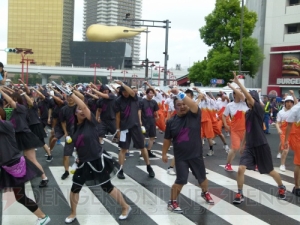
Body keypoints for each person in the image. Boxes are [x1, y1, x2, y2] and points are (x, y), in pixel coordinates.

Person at [63, 89, 131, 223]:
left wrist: (71, 95)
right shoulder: (73, 128)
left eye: (84, 109)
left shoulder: (91, 121)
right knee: (75, 187)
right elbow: (78, 144)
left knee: (107, 187)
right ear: (75, 112)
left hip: (97, 160)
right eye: (79, 110)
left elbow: (83, 105)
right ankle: (73, 213)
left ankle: (125, 206)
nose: (82, 110)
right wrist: (77, 156)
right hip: (83, 162)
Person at [230, 72, 286, 204]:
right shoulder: (248, 113)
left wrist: (238, 84)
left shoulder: (259, 109)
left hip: (261, 145)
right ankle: (240, 193)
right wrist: (243, 144)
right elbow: (246, 130)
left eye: (251, 99)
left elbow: (247, 97)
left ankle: (281, 187)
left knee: (270, 171)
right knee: (240, 168)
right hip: (250, 145)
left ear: (254, 100)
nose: (248, 100)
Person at [162, 87, 214, 213]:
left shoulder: (194, 114)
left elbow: (193, 104)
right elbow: (167, 139)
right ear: (175, 107)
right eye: (179, 105)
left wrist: (179, 94)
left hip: (196, 155)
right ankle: (172, 202)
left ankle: (205, 192)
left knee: (202, 178)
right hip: (181, 157)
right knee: (181, 180)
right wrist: (164, 153)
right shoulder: (171, 122)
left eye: (184, 104)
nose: (182, 106)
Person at [0, 107, 51, 225]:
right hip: (6, 166)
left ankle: (43, 217)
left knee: (20, 197)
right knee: (20, 197)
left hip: (15, 166)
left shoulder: (6, 126)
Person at [0, 88, 49, 188]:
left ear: (17, 100)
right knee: (24, 160)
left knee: (31, 159)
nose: (11, 101)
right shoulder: (14, 111)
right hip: (18, 136)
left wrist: (1, 91)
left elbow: (10, 101)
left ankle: (44, 177)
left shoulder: (22, 108)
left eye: (14, 99)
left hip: (25, 136)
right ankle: (26, 176)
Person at [114, 80, 155, 179]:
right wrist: (118, 130)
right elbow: (118, 116)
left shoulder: (134, 98)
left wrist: (123, 84)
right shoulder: (118, 100)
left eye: (126, 91)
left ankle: (149, 167)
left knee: (142, 147)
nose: (125, 93)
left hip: (135, 126)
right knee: (123, 149)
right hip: (124, 128)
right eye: (123, 92)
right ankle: (120, 169)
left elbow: (132, 92)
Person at [222, 85, 248, 171]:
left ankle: (249, 163)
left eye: (241, 92)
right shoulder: (230, 105)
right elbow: (223, 115)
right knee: (235, 148)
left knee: (246, 148)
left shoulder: (245, 103)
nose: (241, 94)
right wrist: (225, 124)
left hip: (245, 130)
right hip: (234, 130)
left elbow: (243, 96)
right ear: (234, 95)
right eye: (238, 92)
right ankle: (228, 164)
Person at [275, 94, 297, 172]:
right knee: (285, 149)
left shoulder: (295, 111)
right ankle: (282, 164)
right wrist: (278, 129)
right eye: (287, 102)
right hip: (284, 132)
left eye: (291, 102)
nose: (289, 103)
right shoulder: (281, 112)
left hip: (294, 133)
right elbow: (277, 122)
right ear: (285, 103)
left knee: (296, 149)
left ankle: (279, 152)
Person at [284, 97, 300, 196]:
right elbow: (289, 125)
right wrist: (286, 140)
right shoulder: (296, 108)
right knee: (299, 164)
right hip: (298, 138)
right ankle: (297, 186)